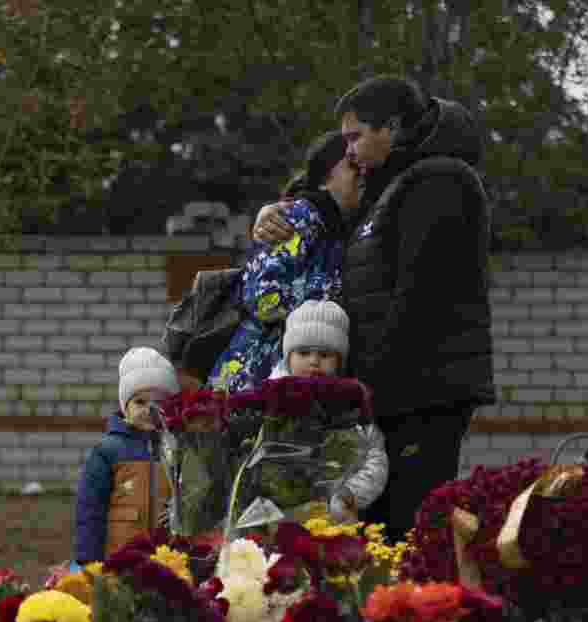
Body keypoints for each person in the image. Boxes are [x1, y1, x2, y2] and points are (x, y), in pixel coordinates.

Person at [249, 76, 495, 541]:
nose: (350, 151)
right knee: (376, 525)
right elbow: (328, 193)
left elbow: (421, 301)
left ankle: (416, 609)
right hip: (392, 393)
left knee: (408, 523)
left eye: (355, 136)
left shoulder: (439, 181)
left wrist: (366, 385)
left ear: (394, 128)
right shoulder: (390, 184)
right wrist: (277, 211)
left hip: (423, 390)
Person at [206, 130, 360, 394]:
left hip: (292, 374)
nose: (362, 172)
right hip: (256, 376)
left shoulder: (339, 226)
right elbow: (264, 298)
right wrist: (323, 312)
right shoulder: (300, 217)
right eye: (352, 164)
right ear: (324, 179)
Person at [262, 299, 389, 524]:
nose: (313, 361)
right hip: (277, 519)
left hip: (335, 520)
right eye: (303, 352)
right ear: (287, 356)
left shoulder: (353, 405)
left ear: (339, 360)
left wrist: (349, 494)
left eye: (325, 355)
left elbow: (374, 458)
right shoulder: (268, 402)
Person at [73, 347, 180, 568]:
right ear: (125, 407)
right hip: (118, 561)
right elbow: (90, 510)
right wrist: (89, 561)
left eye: (158, 403)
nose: (149, 410)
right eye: (140, 402)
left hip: (167, 562)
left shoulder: (176, 449)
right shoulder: (108, 451)